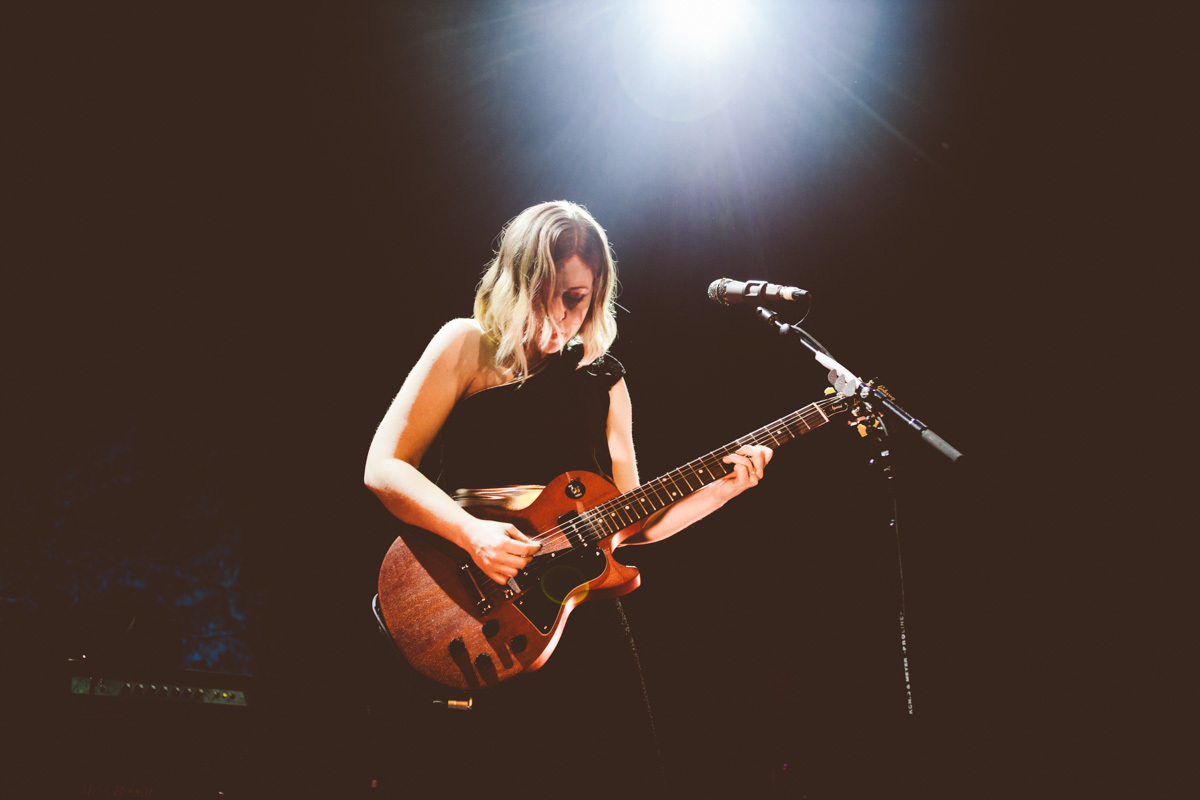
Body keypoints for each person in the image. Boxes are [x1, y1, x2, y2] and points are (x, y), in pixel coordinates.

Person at [362, 200, 772, 790]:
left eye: (577, 297)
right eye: (546, 292)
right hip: (466, 602)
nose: (560, 312)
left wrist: (722, 491)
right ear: (515, 281)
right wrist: (473, 534)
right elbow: (384, 467)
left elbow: (637, 519)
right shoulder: (466, 344)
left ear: (598, 292)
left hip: (577, 624)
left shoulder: (606, 379)